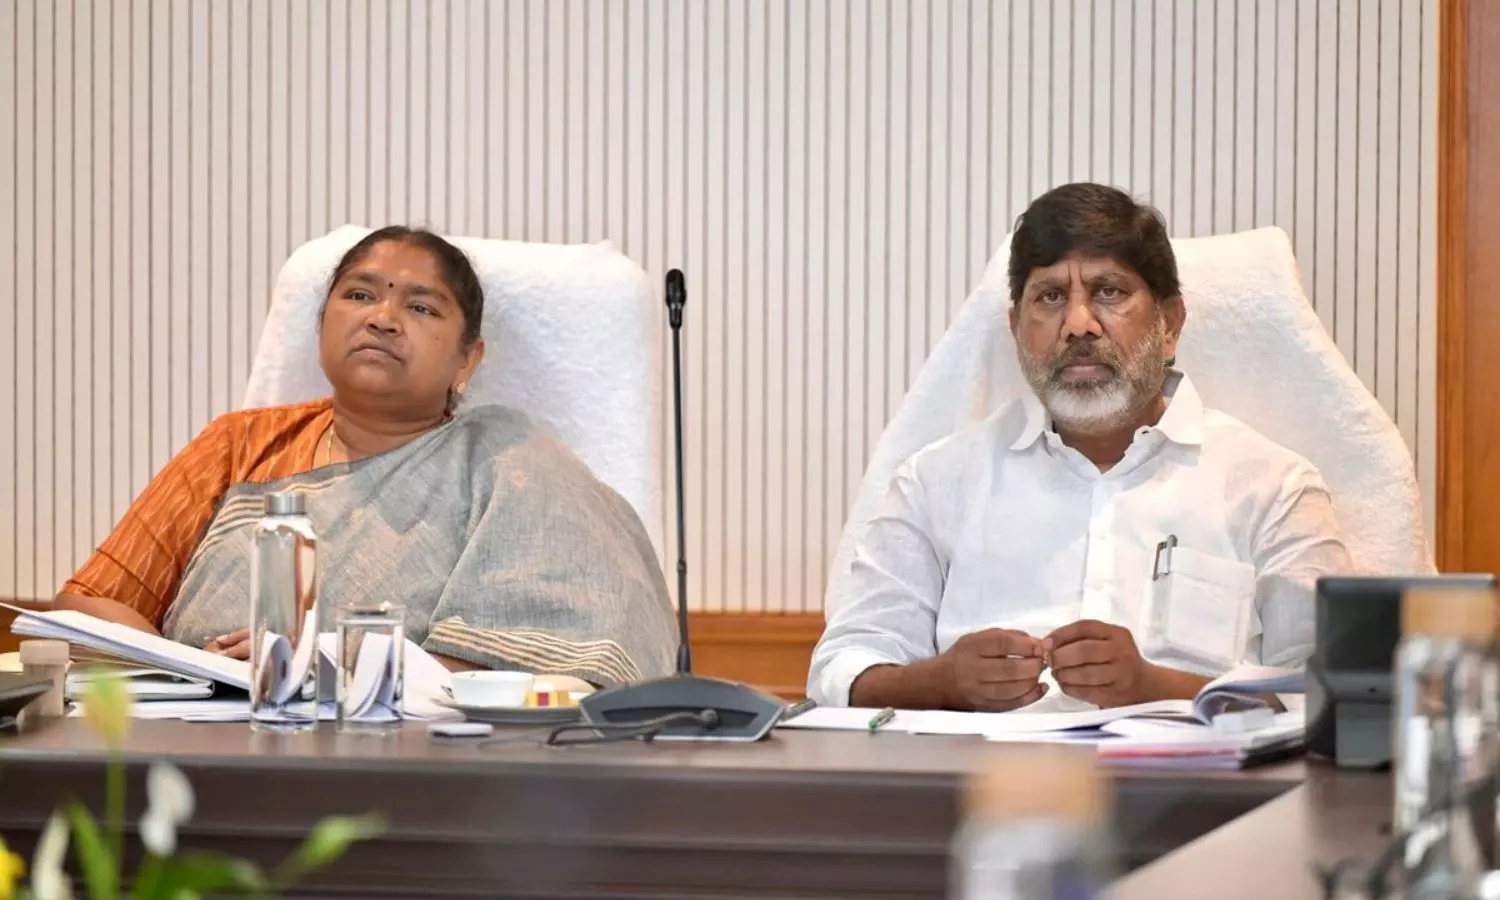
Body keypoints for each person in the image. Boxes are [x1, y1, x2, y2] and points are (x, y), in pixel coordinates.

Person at [808, 183, 1353, 710]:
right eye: (1050, 297)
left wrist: (1156, 686)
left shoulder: (1272, 487)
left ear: (1169, 325)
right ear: (1016, 328)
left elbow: (1333, 692)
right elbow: (840, 670)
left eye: (1108, 292)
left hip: (1194, 773)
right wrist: (940, 683)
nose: (1077, 324)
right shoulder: (935, 482)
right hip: (981, 771)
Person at [56, 226, 678, 686]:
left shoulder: (516, 467)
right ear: (323, 325)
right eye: (359, 295)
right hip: (201, 744)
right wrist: (198, 676)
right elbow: (88, 607)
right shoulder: (239, 446)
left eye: (421, 307)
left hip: (420, 763)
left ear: (467, 360)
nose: (384, 318)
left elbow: (561, 660)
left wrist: (332, 664)